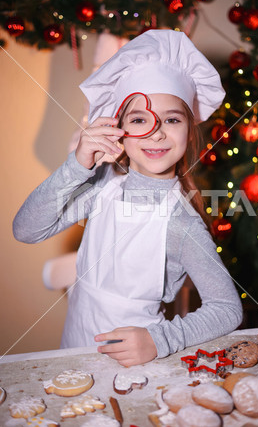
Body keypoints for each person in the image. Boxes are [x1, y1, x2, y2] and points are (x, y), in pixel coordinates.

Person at [13, 30, 243, 367]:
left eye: (172, 119)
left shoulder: (181, 223)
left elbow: (227, 309)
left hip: (137, 366)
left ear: (188, 130)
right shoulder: (102, 186)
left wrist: (158, 340)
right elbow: (26, 229)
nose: (156, 131)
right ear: (119, 128)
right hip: (74, 349)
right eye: (139, 119)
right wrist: (76, 167)